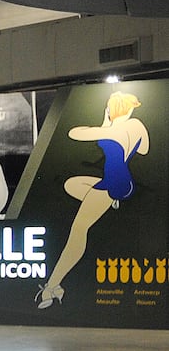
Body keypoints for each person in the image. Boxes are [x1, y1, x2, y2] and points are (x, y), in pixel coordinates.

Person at [37, 91, 150, 308]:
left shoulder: (112, 131)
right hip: (122, 183)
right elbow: (144, 149)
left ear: (111, 109)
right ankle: (109, 203)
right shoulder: (136, 126)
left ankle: (53, 286)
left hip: (112, 186)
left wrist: (105, 123)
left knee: (79, 229)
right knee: (72, 185)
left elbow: (75, 133)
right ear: (128, 110)